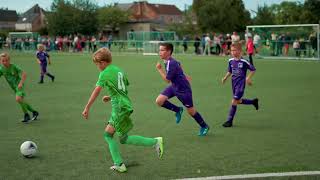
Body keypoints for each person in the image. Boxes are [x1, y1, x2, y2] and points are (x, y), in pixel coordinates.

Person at [82, 47, 163, 173]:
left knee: (108, 135)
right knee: (122, 138)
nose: (97, 67)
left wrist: (87, 107)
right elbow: (123, 89)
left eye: (97, 64)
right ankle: (154, 142)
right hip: (123, 105)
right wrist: (111, 96)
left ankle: (120, 163)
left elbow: (96, 91)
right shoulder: (119, 70)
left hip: (119, 107)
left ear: (102, 62)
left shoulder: (104, 73)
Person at [155, 42, 210, 136]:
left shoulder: (171, 63)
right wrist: (184, 74)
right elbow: (179, 64)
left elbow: (167, 80)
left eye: (162, 50)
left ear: (169, 51)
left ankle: (204, 126)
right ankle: (177, 110)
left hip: (183, 90)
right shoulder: (168, 61)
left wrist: (159, 69)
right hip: (174, 87)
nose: (160, 52)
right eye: (159, 50)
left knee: (191, 111)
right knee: (159, 101)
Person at [221, 43, 259, 127]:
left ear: (240, 51)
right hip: (233, 84)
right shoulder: (230, 61)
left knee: (234, 101)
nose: (233, 52)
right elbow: (230, 71)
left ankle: (229, 121)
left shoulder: (244, 61)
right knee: (238, 101)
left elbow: (253, 69)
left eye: (235, 50)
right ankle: (253, 102)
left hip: (240, 85)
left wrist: (248, 78)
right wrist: (225, 78)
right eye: (231, 50)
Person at [0, 52, 39, 123]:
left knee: (18, 99)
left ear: (9, 60)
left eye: (6, 60)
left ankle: (27, 115)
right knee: (21, 101)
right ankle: (34, 112)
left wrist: (21, 83)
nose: (4, 62)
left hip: (19, 86)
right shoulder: (1, 69)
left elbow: (24, 74)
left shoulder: (14, 66)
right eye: (3, 61)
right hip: (14, 87)